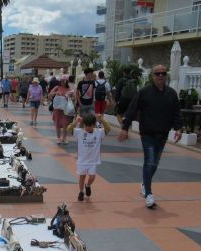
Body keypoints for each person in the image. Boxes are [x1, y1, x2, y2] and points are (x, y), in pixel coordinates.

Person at [117, 64, 182, 209]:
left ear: (166, 76)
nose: (160, 76)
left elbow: (176, 112)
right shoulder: (144, 92)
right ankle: (149, 194)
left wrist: (178, 128)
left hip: (162, 134)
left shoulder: (171, 93)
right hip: (147, 134)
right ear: (153, 76)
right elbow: (132, 109)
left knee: (155, 164)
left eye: (163, 74)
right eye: (157, 73)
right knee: (150, 161)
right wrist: (125, 128)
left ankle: (144, 184)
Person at [71, 113, 106, 201]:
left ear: (94, 125)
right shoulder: (80, 132)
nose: (88, 128)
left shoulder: (98, 132)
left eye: (90, 126)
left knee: (92, 176)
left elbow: (108, 129)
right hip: (82, 161)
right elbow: (68, 129)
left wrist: (102, 120)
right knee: (82, 177)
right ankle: (81, 192)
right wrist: (76, 121)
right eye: (86, 126)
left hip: (93, 160)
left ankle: (88, 185)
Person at [48, 74, 74, 144]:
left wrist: (69, 96)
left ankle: (64, 138)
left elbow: (73, 97)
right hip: (57, 108)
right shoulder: (57, 87)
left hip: (65, 109)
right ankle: (58, 138)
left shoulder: (69, 89)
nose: (63, 82)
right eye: (62, 81)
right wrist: (56, 93)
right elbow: (50, 94)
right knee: (57, 123)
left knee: (65, 123)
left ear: (67, 81)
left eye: (65, 81)